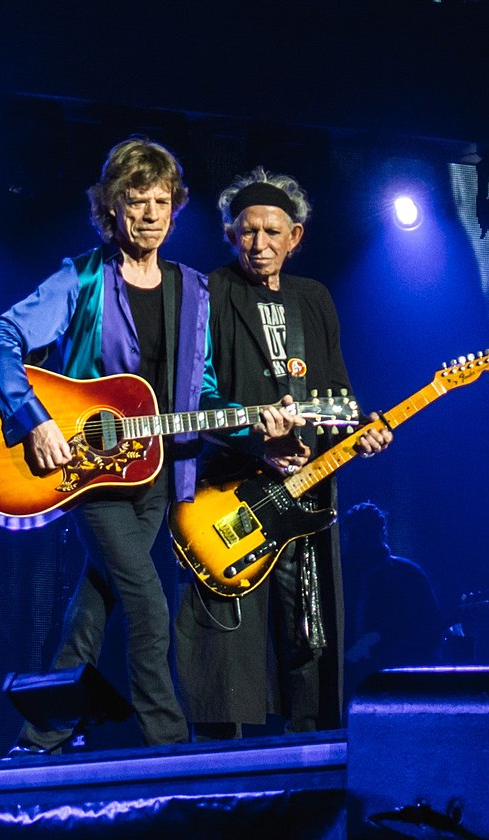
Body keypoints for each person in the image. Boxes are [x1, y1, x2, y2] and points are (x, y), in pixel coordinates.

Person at [0, 139, 301, 754]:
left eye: (161, 201)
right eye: (136, 201)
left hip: (159, 473)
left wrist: (254, 422)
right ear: (111, 209)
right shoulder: (81, 278)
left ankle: (40, 734)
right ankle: (169, 747)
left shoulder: (193, 289)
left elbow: (200, 398)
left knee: (95, 604)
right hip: (88, 473)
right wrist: (34, 418)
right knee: (149, 607)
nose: (151, 213)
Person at [174, 166, 393, 739]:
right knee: (228, 636)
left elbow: (339, 396)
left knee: (308, 630)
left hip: (307, 491)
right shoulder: (207, 292)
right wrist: (256, 440)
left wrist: (362, 432)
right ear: (229, 233)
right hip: (231, 491)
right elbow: (196, 390)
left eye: (273, 232)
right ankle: (224, 779)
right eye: (248, 231)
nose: (260, 243)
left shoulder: (314, 299)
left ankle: (310, 761)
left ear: (295, 237)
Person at [341, 501, 444, 710]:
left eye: (363, 535)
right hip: (351, 686)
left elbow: (429, 632)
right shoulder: (343, 576)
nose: (355, 542)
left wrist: (379, 650)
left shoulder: (408, 575)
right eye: (353, 536)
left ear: (380, 534)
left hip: (399, 685)